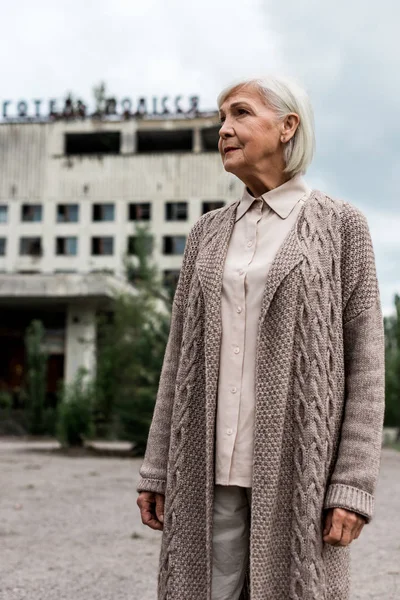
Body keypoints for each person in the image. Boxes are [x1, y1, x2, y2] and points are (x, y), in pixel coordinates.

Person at [136, 74, 385, 600]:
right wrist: (158, 468)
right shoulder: (206, 232)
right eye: (220, 118)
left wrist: (353, 484)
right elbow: (177, 358)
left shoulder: (342, 227)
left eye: (240, 114)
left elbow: (367, 364)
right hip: (206, 469)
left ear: (287, 126)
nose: (223, 129)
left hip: (302, 472)